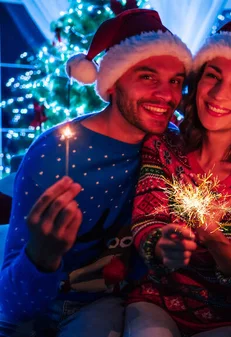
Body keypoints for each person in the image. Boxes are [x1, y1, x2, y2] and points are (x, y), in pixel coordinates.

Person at [0, 8, 192, 337]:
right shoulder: (53, 153)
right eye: (147, 77)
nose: (167, 94)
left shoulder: (173, 147)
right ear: (113, 81)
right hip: (56, 310)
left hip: (138, 308)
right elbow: (10, 304)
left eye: (175, 81)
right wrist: (42, 256)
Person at [123, 20, 231, 337]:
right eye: (213, 77)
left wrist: (213, 237)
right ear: (196, 83)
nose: (220, 94)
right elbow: (146, 221)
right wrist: (162, 243)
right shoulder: (164, 147)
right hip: (157, 303)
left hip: (227, 318)